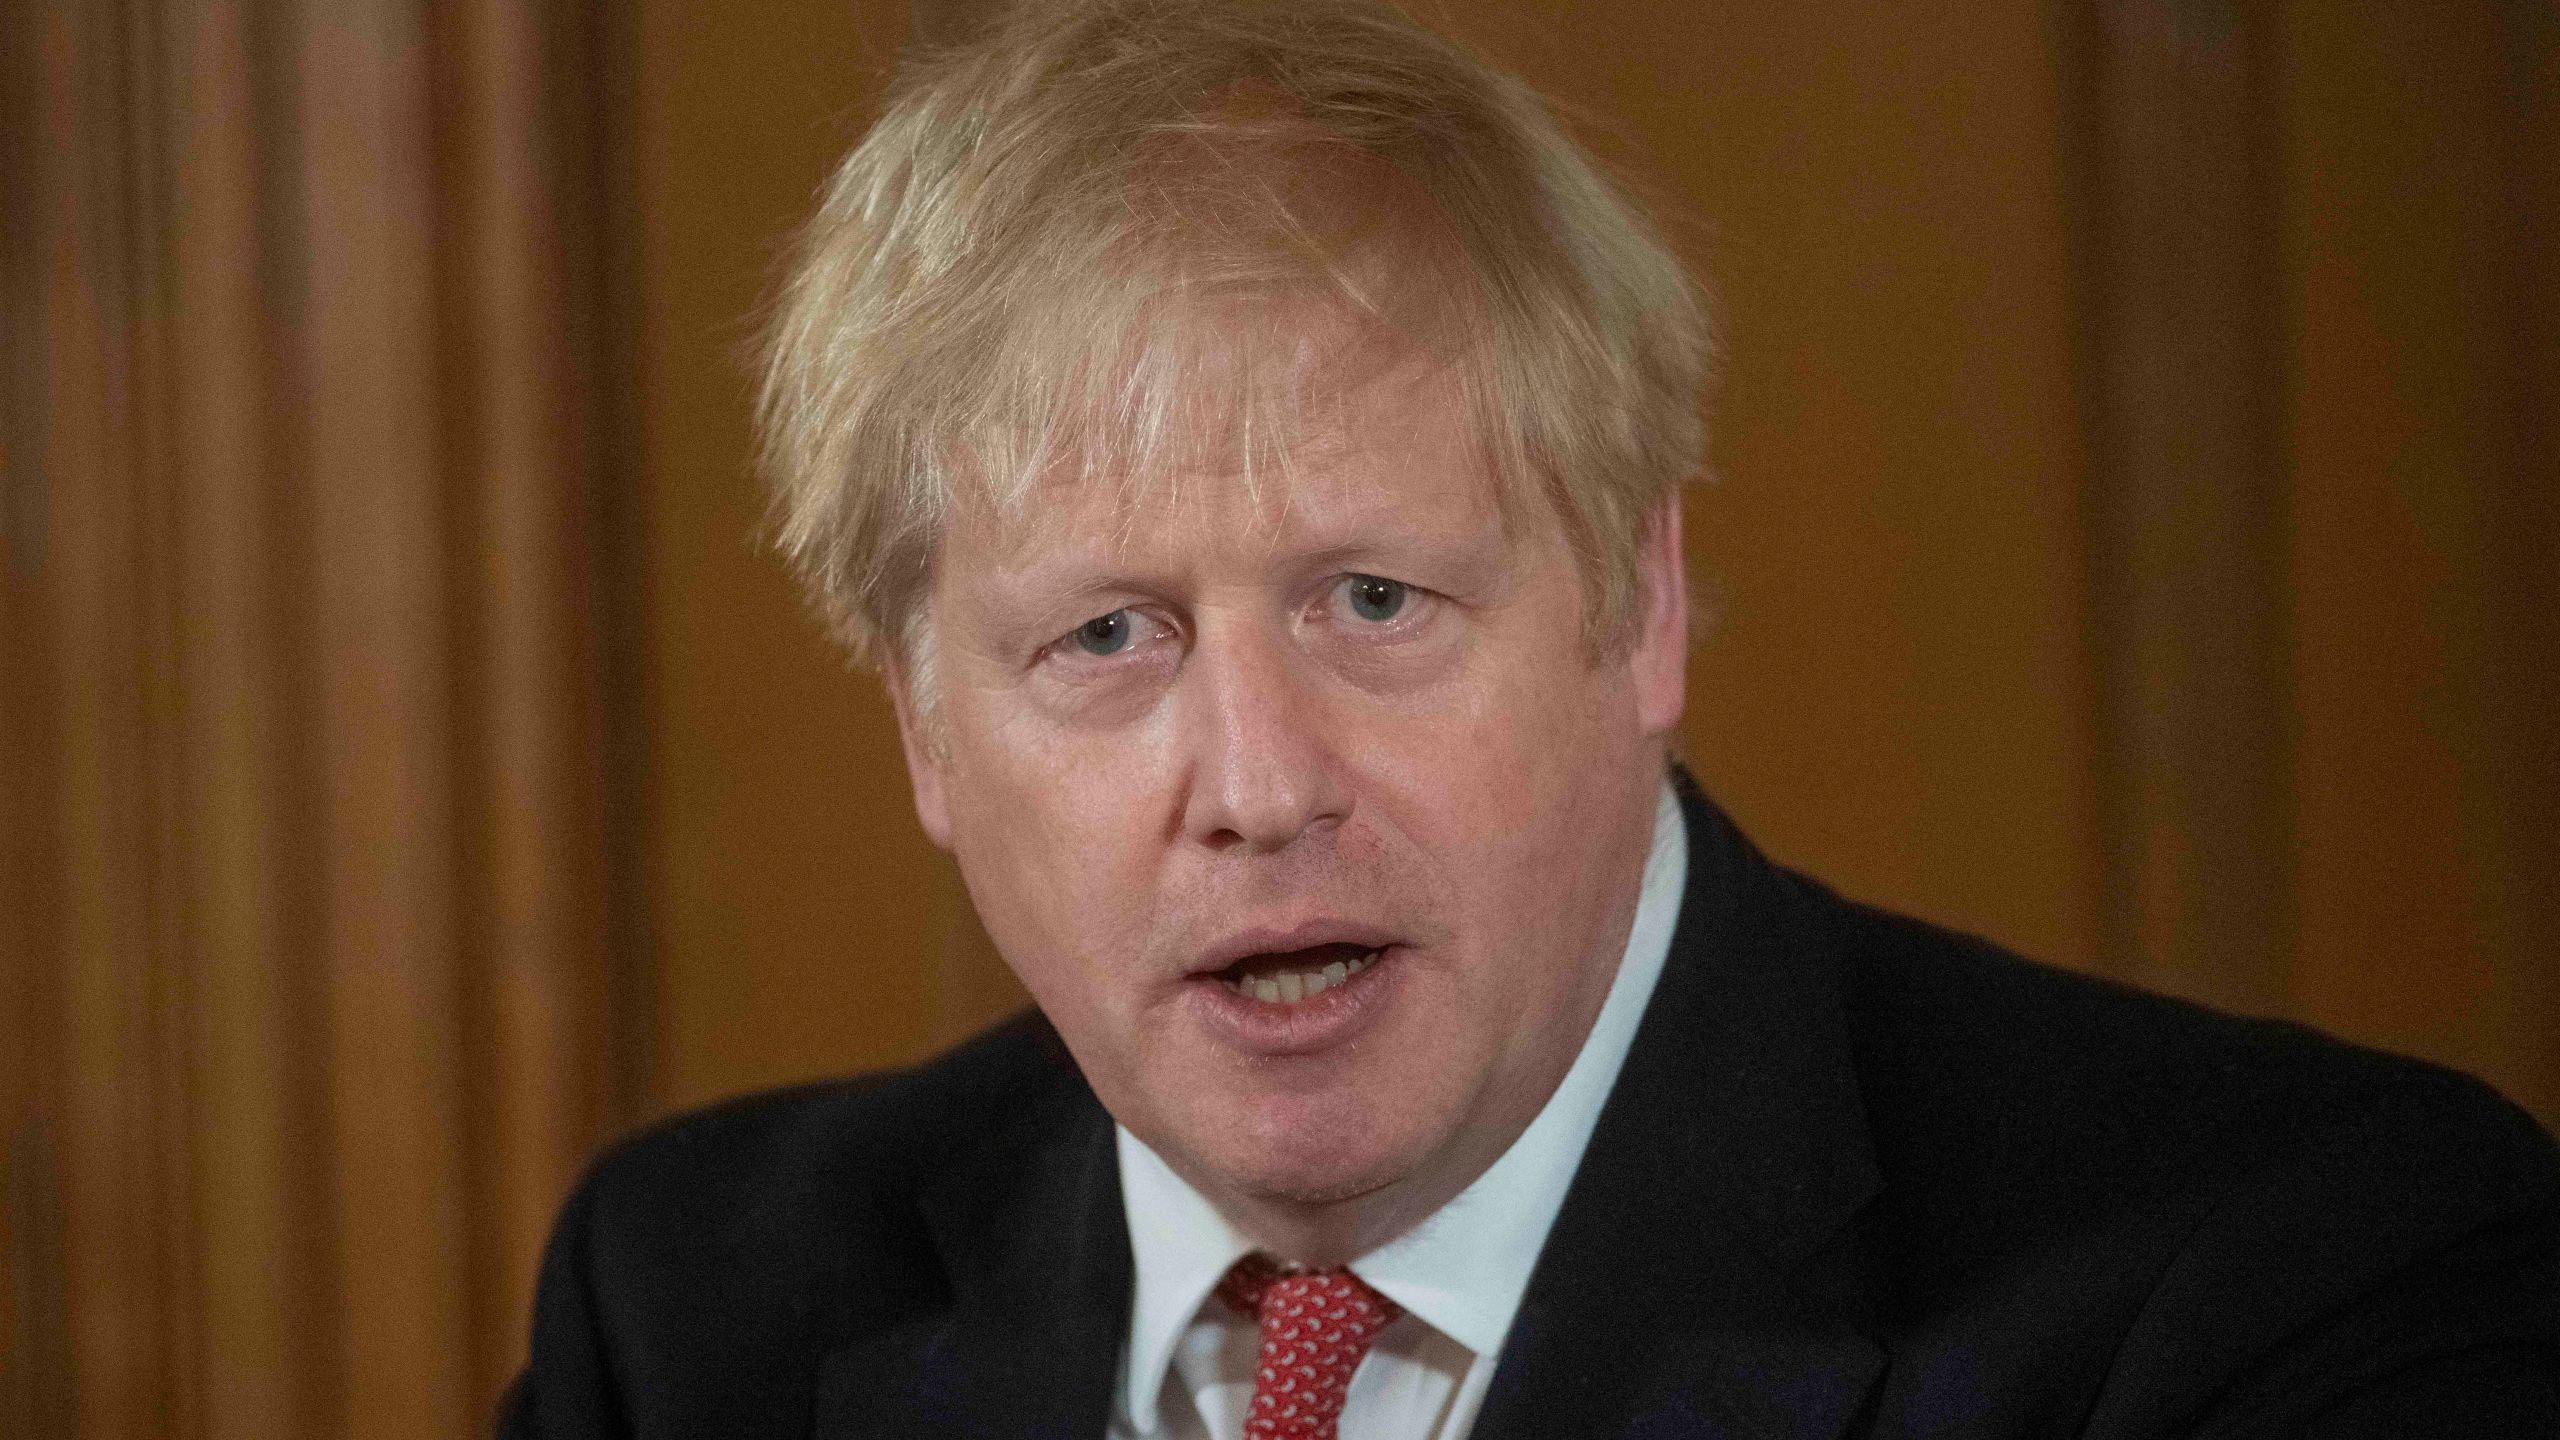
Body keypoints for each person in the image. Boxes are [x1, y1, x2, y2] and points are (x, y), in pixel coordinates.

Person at [500, 1, 2560, 1435]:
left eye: (1373, 601)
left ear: (1639, 602)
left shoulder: (2280, 1278)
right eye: (1106, 640)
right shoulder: (689, 1321)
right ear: (926, 737)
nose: (1256, 785)